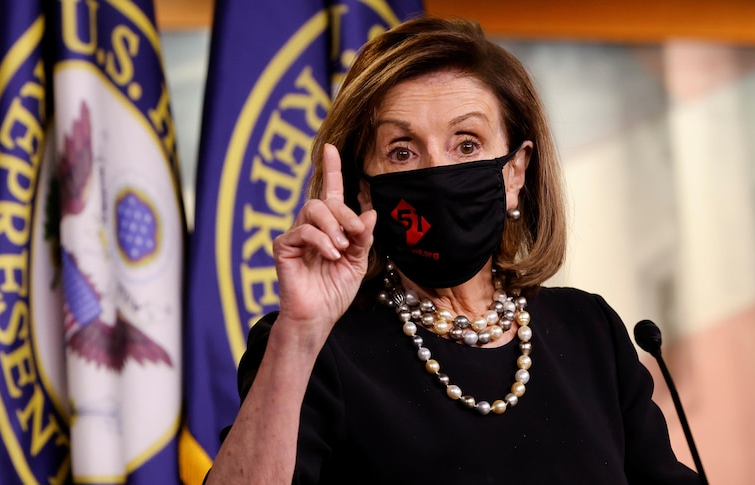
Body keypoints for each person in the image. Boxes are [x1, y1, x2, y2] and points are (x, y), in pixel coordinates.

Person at [204, 16, 700, 484]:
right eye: (402, 151)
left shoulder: (591, 332)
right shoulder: (316, 348)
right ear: (364, 190)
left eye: (466, 144)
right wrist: (300, 335)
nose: (437, 172)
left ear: (514, 172)